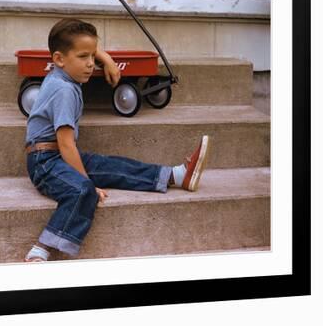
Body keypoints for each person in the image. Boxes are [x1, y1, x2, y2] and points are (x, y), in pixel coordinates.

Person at [23, 18, 210, 262]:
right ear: (59, 59)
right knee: (83, 191)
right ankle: (41, 249)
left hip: (55, 155)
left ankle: (176, 175)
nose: (91, 64)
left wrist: (107, 59)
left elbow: (85, 47)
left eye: (93, 56)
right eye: (83, 58)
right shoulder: (64, 90)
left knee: (111, 164)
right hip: (45, 163)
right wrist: (86, 180)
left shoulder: (63, 76)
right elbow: (66, 144)